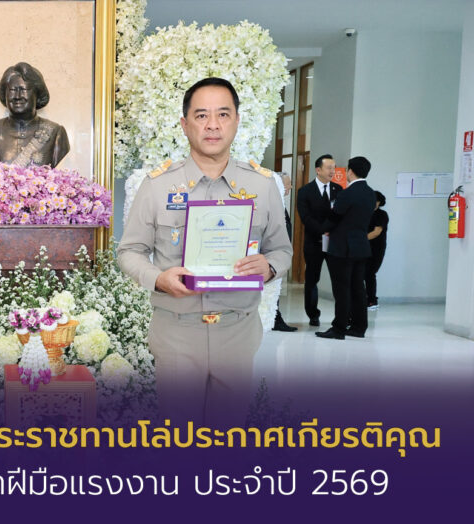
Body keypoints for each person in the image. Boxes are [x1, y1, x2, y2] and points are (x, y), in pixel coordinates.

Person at [117, 77, 292, 426]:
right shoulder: (157, 186)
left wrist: (269, 267)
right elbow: (129, 251)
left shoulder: (262, 185)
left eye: (223, 114)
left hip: (237, 331)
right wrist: (158, 278)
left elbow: (282, 250)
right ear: (185, 124)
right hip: (177, 332)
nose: (213, 125)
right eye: (201, 116)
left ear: (237, 121)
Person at [316, 156, 376, 340]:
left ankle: (339, 328)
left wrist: (322, 229)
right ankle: (359, 327)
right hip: (361, 247)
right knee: (358, 288)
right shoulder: (370, 193)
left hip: (342, 248)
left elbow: (335, 217)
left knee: (342, 289)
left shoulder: (347, 193)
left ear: (350, 171)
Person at [0, 62, 70, 168]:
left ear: (37, 93)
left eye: (24, 89)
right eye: (12, 90)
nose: (17, 96)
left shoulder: (56, 133)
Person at [296, 154, 342, 327]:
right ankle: (313, 314)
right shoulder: (305, 191)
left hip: (334, 242)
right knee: (312, 279)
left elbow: (340, 215)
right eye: (329, 168)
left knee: (338, 279)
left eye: (334, 168)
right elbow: (306, 217)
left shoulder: (338, 190)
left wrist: (331, 230)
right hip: (313, 242)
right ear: (318, 170)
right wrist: (323, 230)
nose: (332, 171)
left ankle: (341, 316)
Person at [272, 171, 298, 332]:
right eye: (288, 184)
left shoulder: (281, 202)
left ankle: (275, 317)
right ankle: (275, 319)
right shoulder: (274, 203)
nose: (291, 187)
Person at [366, 191, 388, 310]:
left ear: (380, 202)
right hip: (363, 248)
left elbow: (376, 232)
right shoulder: (363, 213)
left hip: (376, 249)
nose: (374, 202)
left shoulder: (381, 215)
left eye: (376, 201)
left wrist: (359, 239)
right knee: (360, 274)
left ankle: (372, 301)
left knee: (370, 273)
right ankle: (363, 299)